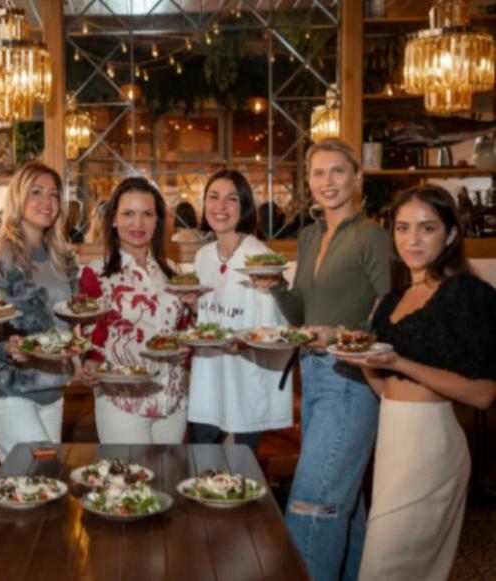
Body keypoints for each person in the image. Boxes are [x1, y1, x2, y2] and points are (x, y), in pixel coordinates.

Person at [332, 185, 496, 581]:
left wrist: (398, 361)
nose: (412, 240)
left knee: (381, 570)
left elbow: (483, 394)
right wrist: (364, 360)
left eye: (427, 228)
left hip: (431, 446)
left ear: (451, 235)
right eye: (403, 228)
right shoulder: (394, 299)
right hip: (392, 439)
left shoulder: (468, 294)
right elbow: (388, 388)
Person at [250, 138, 390, 580]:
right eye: (318, 173)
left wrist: (340, 334)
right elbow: (302, 314)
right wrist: (275, 285)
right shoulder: (310, 235)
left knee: (314, 503)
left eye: (338, 171)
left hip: (350, 377)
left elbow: (394, 312)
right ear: (308, 182)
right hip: (311, 374)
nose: (328, 181)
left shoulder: (371, 235)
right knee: (342, 502)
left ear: (357, 177)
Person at [0, 162, 79, 461]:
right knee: (40, 473)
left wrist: (79, 356)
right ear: (18, 197)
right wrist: (9, 347)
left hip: (53, 389)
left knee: (44, 481)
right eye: (36, 192)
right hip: (10, 390)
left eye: (54, 194)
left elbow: (70, 321)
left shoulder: (64, 258)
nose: (47, 201)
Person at [80, 177, 190, 444]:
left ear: (157, 221)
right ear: (113, 220)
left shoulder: (174, 272)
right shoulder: (95, 273)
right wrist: (88, 362)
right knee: (128, 472)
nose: (138, 223)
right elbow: (91, 337)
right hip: (122, 402)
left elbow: (184, 330)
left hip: (173, 400)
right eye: (128, 213)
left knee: (167, 471)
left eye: (147, 214)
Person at [188, 170, 292, 453]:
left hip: (244, 379)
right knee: (203, 460)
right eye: (213, 197)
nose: (220, 206)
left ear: (244, 205)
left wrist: (244, 341)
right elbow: (207, 315)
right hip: (209, 376)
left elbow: (273, 328)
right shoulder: (203, 256)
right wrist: (193, 305)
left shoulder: (261, 258)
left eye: (231, 198)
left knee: (239, 466)